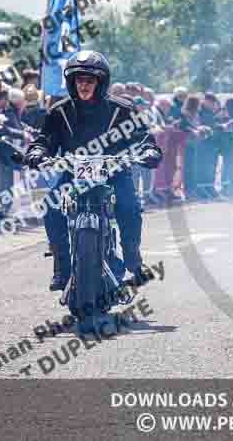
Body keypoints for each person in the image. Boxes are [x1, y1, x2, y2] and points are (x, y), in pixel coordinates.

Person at [24, 51, 163, 291]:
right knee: (51, 207)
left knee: (129, 206)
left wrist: (149, 150)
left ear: (100, 82)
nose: (84, 85)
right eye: (79, 80)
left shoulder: (123, 109)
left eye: (90, 80)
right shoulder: (59, 111)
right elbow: (44, 139)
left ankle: (131, 255)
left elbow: (143, 137)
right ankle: (61, 266)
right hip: (72, 172)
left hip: (113, 171)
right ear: (71, 82)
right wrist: (37, 152)